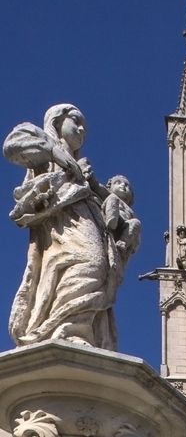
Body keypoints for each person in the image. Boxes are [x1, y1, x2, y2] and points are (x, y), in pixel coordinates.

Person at [4, 105, 125, 349]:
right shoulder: (43, 141)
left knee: (99, 270)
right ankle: (66, 330)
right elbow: (12, 145)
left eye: (85, 128)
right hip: (61, 225)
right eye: (76, 122)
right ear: (57, 121)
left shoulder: (82, 167)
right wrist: (55, 153)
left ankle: (74, 329)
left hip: (83, 217)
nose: (81, 129)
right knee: (91, 262)